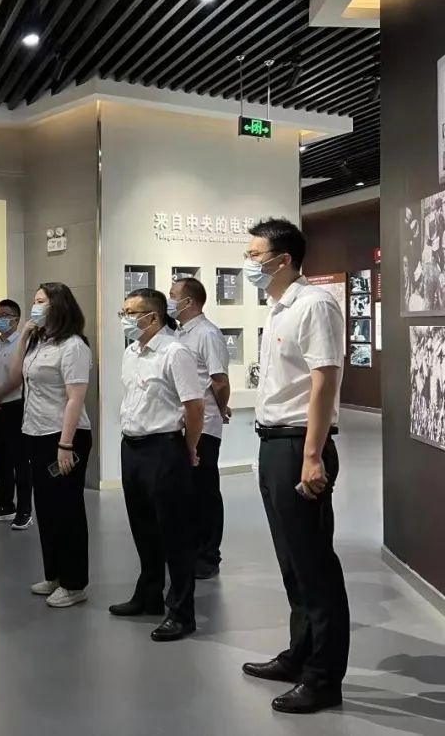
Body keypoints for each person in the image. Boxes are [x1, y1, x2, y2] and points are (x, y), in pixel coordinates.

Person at [241, 218, 349, 714]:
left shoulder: (314, 305)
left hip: (298, 446)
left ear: (283, 260)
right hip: (273, 443)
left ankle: (324, 678)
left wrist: (311, 455)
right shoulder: (279, 308)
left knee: (314, 564)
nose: (249, 264)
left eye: (254, 255)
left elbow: (324, 381)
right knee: (291, 561)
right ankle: (300, 654)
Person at [110, 288, 204, 643]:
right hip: (133, 447)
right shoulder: (131, 352)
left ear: (153, 316)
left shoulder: (175, 352)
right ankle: (149, 594)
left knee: (174, 533)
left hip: (164, 447)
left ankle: (181, 611)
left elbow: (194, 406)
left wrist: (189, 447)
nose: (125, 318)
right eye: (123, 312)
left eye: (131, 313)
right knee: (143, 527)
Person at [8, 283, 92, 609]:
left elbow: (75, 398)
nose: (35, 306)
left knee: (66, 508)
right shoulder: (39, 342)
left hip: (65, 436)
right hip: (36, 432)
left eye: (41, 301)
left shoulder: (73, 346)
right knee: (45, 507)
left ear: (58, 305)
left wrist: (65, 443)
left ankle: (74, 583)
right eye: (34, 301)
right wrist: (23, 339)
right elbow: (15, 377)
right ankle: (54, 574)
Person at [169, 277, 231, 580]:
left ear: (189, 301)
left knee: (204, 490)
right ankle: (190, 550)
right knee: (186, 491)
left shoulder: (207, 333)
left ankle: (208, 555)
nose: (170, 300)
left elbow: (219, 380)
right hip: (182, 423)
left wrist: (221, 407)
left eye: (173, 295)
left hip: (204, 424)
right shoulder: (179, 333)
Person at [0, 299, 32, 529]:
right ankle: (4, 505)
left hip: (14, 407)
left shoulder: (22, 344)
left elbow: (17, 378)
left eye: (5, 315)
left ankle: (24, 510)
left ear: (16, 319)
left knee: (20, 462)